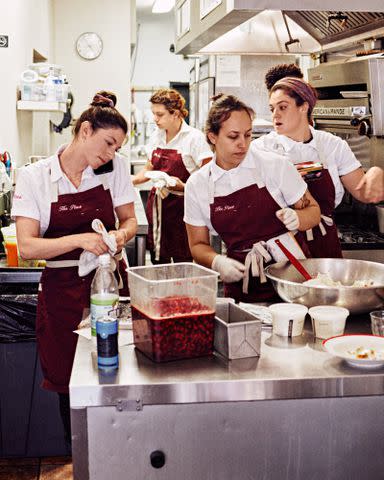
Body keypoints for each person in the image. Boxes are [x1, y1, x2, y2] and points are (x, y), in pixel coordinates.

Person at [11, 91, 138, 447]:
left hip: (108, 283)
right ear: (84, 131)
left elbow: (129, 220)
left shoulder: (115, 169)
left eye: (117, 147)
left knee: (116, 370)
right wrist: (80, 240)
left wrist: (118, 236)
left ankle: (120, 452)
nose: (111, 154)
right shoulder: (36, 176)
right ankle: (78, 454)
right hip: (61, 291)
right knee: (70, 379)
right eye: (108, 143)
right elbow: (28, 246)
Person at [184, 94, 321, 303]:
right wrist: (218, 262)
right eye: (233, 136)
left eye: (248, 135)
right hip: (241, 279)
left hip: (290, 276)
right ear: (212, 137)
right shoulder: (198, 185)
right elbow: (198, 245)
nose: (243, 144)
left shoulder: (275, 166)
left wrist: (298, 218)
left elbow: (313, 211)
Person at [255, 68, 384, 258]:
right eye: (272, 109)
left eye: (282, 107)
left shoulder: (332, 145)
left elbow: (365, 193)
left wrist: (376, 172)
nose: (275, 116)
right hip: (283, 247)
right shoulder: (261, 149)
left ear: (303, 107)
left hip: (324, 244)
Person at [132, 88, 212, 264]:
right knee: (159, 258)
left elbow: (208, 176)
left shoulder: (194, 138)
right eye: (153, 114)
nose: (155, 119)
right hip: (159, 208)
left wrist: (182, 187)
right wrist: (130, 181)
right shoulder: (157, 136)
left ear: (175, 113)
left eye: (159, 114)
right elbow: (149, 168)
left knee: (183, 259)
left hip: (183, 208)